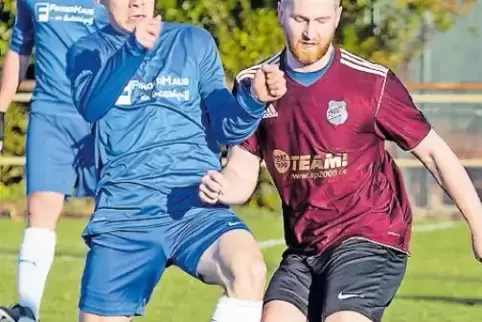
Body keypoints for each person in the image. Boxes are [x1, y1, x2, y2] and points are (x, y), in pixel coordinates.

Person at [198, 0, 482, 322]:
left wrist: (478, 221)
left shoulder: (371, 83)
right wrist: (221, 187)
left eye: (321, 20)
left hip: (370, 234)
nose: (309, 32)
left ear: (337, 16)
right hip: (305, 247)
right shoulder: (255, 85)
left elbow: (433, 151)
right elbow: (241, 171)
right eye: (300, 19)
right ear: (280, 12)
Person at [65, 0, 287, 321]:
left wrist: (253, 101)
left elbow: (226, 126)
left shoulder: (192, 41)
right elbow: (92, 105)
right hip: (126, 214)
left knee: (247, 267)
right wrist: (134, 49)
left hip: (194, 206)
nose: (136, 3)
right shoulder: (87, 50)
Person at [0, 1, 108, 321]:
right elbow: (20, 47)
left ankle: (102, 312)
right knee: (40, 208)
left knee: (112, 215)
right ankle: (27, 312)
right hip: (49, 116)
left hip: (101, 116)